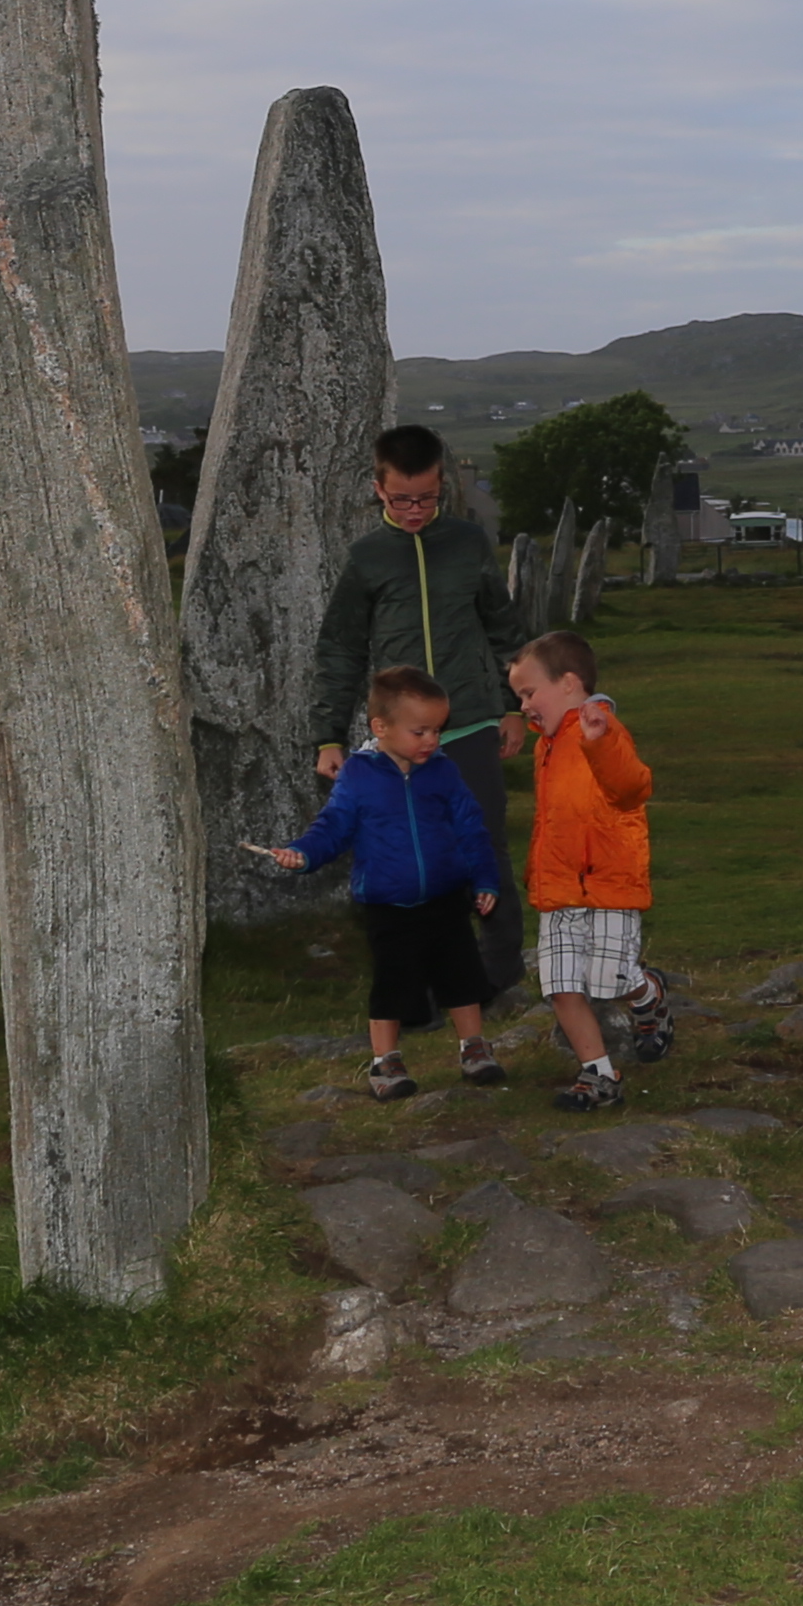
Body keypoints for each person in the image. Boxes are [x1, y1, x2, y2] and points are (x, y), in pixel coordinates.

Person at [307, 425, 531, 900]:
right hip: (399, 740)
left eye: (426, 499)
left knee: (485, 846)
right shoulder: (366, 558)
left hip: (471, 725)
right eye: (400, 500)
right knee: (411, 854)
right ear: (379, 490)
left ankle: (499, 971)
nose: (414, 511)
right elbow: (340, 648)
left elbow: (503, 629)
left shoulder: (469, 543)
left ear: (442, 487)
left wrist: (514, 707)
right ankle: (430, 969)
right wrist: (328, 737)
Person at [264, 666, 508, 1099]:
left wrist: (485, 879)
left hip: (447, 893)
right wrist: (303, 854)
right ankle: (385, 1060)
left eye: (437, 730)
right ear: (381, 727)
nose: (432, 741)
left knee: (461, 972)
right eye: (421, 731)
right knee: (393, 980)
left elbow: (471, 828)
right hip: (386, 900)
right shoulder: (358, 777)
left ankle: (474, 1047)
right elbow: (333, 827)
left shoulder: (443, 772)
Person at [505, 628, 670, 1108]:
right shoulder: (546, 745)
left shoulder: (604, 730)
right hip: (558, 888)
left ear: (570, 684)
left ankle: (648, 995)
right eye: (519, 696)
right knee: (559, 984)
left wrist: (599, 743)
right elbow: (552, 817)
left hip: (610, 882)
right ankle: (598, 1075)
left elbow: (632, 788)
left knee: (609, 979)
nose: (524, 705)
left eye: (529, 692)